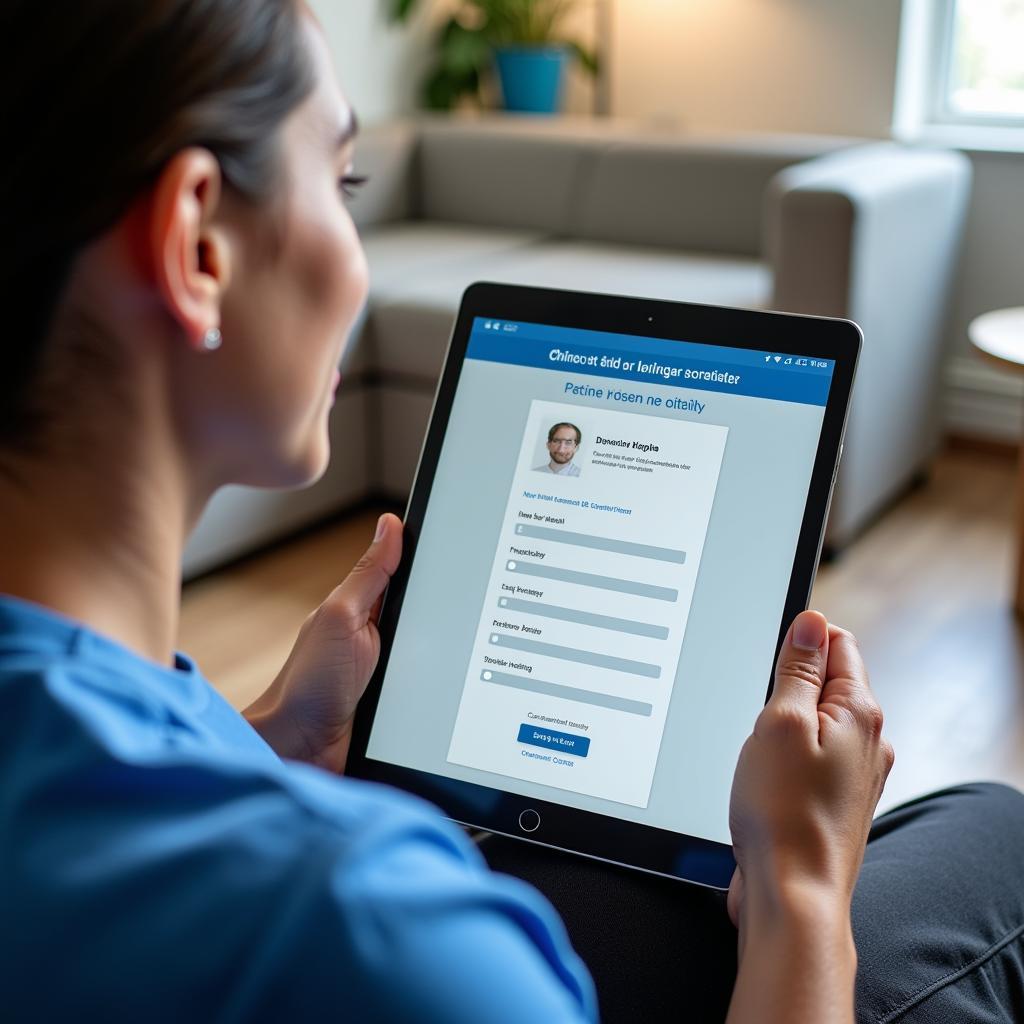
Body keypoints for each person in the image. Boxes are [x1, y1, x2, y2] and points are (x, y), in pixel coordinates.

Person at [1, 2, 1022, 1021]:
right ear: (199, 249)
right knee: (992, 834)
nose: (359, 257)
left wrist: (276, 738)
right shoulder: (376, 926)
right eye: (342, 182)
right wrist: (800, 891)